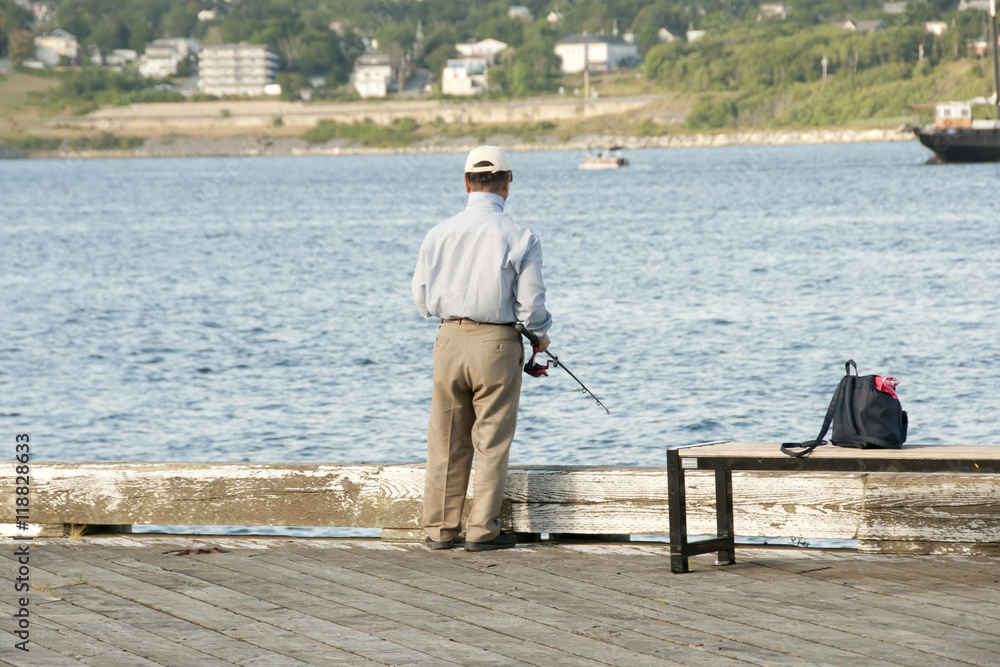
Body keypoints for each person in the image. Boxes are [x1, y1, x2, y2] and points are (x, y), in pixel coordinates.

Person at [411, 145, 552, 552]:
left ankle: (439, 530)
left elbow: (421, 299)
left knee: (446, 439)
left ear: (466, 183)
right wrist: (540, 335)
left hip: (448, 339)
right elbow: (531, 305)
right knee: (491, 440)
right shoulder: (522, 236)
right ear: (508, 183)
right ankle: (482, 531)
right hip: (496, 343)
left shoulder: (437, 233)